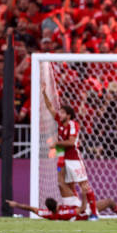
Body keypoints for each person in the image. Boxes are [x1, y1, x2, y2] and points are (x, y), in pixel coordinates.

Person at [42, 82, 100, 220]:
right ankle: (78, 210)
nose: (59, 114)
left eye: (62, 112)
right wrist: (44, 93)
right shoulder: (60, 123)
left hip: (74, 159)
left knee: (84, 185)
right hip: (65, 160)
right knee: (69, 185)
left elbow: (71, 142)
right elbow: (50, 107)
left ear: (68, 115)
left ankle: (93, 213)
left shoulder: (73, 124)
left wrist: (56, 144)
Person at [5, 193, 117, 221]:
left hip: (81, 211)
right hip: (85, 214)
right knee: (110, 201)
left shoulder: (46, 213)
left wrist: (16, 204)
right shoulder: (64, 213)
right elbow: (80, 210)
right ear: (57, 205)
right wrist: (85, 195)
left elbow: (30, 208)